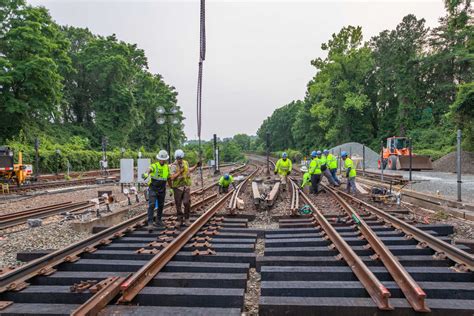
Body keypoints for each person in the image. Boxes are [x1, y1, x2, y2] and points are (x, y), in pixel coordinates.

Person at [169, 149, 201, 227]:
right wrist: (180, 171)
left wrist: (196, 165)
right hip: (177, 187)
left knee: (187, 202)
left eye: (181, 158)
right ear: (176, 158)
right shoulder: (173, 166)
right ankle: (180, 220)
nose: (180, 160)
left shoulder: (185, 162)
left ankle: (187, 219)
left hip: (186, 186)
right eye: (178, 159)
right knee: (178, 204)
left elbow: (189, 170)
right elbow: (172, 177)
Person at [142, 150, 170, 228]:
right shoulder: (155, 165)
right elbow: (149, 169)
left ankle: (158, 220)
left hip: (162, 189)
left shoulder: (167, 167)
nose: (162, 160)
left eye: (164, 159)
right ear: (158, 159)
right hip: (153, 188)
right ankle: (150, 222)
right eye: (161, 159)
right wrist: (146, 174)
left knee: (161, 205)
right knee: (152, 204)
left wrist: (170, 188)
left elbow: (169, 178)